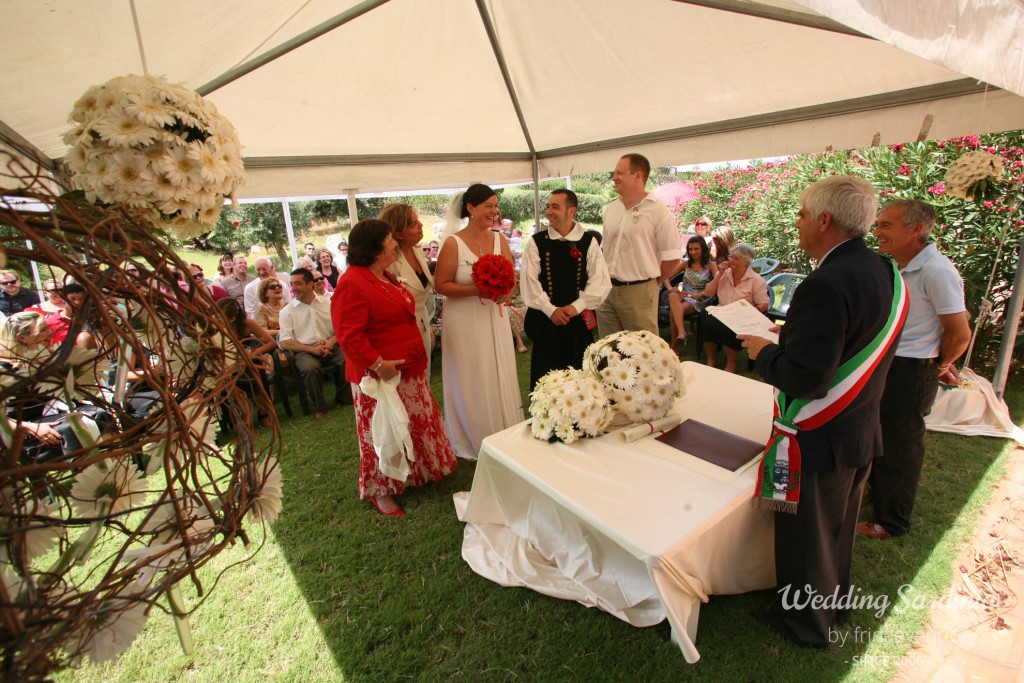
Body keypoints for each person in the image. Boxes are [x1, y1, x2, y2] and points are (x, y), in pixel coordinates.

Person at [739, 175, 908, 650]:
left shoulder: (824, 283)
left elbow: (807, 379)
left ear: (825, 220)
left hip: (821, 435)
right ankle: (832, 606)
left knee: (808, 538)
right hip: (858, 426)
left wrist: (762, 352)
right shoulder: (884, 269)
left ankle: (806, 627)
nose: (798, 224)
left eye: (801, 215)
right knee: (837, 532)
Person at [858, 199, 971, 540]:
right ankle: (877, 496)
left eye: (886, 226)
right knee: (879, 434)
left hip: (911, 369)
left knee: (900, 446)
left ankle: (891, 521)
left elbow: (959, 331)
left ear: (917, 229)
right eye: (877, 224)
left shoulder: (936, 270)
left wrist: (940, 364)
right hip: (890, 364)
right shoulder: (900, 266)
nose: (876, 232)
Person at [332, 219, 458, 517]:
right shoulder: (352, 282)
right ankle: (381, 490)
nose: (394, 243)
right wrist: (378, 364)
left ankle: (413, 474)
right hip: (380, 375)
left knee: (410, 424)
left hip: (409, 368)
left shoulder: (385, 273)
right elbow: (348, 335)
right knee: (385, 430)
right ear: (375, 248)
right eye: (389, 239)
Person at [434, 183, 524, 460]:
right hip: (464, 320)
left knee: (496, 369)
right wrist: (478, 290)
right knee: (471, 373)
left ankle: (503, 430)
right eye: (488, 206)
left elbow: (511, 279)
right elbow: (441, 285)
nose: (494, 212)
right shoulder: (453, 243)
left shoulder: (501, 241)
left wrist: (505, 291)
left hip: (493, 317)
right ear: (471, 208)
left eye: (495, 206)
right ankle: (471, 436)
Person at [521, 189, 610, 389]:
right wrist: (550, 310)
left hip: (576, 321)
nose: (549, 211)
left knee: (580, 381)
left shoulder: (588, 242)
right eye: (548, 206)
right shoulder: (537, 242)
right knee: (547, 382)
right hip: (546, 322)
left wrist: (576, 307)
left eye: (555, 206)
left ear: (571, 211)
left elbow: (600, 281)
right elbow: (529, 282)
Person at [597, 153, 681, 337]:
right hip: (606, 292)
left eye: (620, 173)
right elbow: (605, 250)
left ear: (638, 175)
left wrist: (651, 283)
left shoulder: (659, 211)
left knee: (642, 352)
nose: (614, 177)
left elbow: (673, 256)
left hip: (639, 293)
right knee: (607, 350)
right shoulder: (611, 209)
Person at [279, 268, 352, 418]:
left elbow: (342, 328)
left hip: (330, 346)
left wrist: (331, 342)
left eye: (298, 284)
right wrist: (311, 349)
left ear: (310, 284)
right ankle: (320, 406)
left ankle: (344, 398)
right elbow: (285, 341)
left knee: (349, 359)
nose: (293, 288)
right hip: (305, 351)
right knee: (310, 368)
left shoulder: (328, 303)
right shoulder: (287, 312)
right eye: (291, 284)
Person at [379, 203, 435, 372]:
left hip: (423, 322)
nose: (421, 225)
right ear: (399, 234)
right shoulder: (388, 262)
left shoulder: (417, 250)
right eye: (413, 223)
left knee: (424, 375)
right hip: (401, 332)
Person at [701, 243, 769, 372]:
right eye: (731, 257)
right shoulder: (724, 274)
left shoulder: (755, 280)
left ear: (746, 262)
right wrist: (719, 275)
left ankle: (731, 363)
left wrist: (753, 311)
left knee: (729, 330)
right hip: (722, 311)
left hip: (742, 316)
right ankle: (711, 360)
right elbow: (708, 293)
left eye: (736, 258)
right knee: (708, 325)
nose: (731, 260)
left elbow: (764, 304)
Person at [215, 297, 277, 426]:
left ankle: (263, 413)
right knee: (230, 380)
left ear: (233, 318)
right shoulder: (214, 326)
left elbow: (271, 342)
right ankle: (239, 417)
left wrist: (251, 354)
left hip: (248, 361)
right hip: (225, 363)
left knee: (251, 376)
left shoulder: (246, 323)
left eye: (223, 319)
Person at [666, 235, 718, 352]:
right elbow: (665, 276)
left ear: (703, 249)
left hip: (699, 299)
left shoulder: (711, 265)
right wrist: (670, 287)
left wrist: (703, 293)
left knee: (673, 312)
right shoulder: (686, 264)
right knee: (672, 295)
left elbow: (718, 283)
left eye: (696, 249)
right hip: (683, 295)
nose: (693, 252)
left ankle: (674, 346)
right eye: (690, 249)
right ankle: (682, 332)